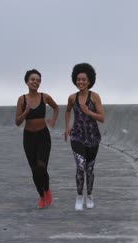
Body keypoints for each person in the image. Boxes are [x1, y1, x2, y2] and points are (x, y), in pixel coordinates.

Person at [15, 69, 59, 209]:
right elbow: (17, 122)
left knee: (41, 166)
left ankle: (47, 189)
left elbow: (56, 107)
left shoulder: (44, 97)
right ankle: (41, 196)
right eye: (33, 79)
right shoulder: (22, 99)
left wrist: (53, 120)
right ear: (27, 81)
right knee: (34, 169)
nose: (36, 82)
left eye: (38, 80)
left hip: (43, 136)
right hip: (28, 137)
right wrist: (26, 112)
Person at [64, 63, 105, 211]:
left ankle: (90, 195)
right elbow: (68, 111)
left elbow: (102, 118)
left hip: (93, 137)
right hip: (77, 137)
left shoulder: (94, 97)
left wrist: (88, 112)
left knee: (89, 169)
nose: (80, 82)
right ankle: (79, 197)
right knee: (80, 167)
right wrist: (67, 126)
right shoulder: (71, 98)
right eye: (78, 79)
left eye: (84, 79)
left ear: (89, 81)